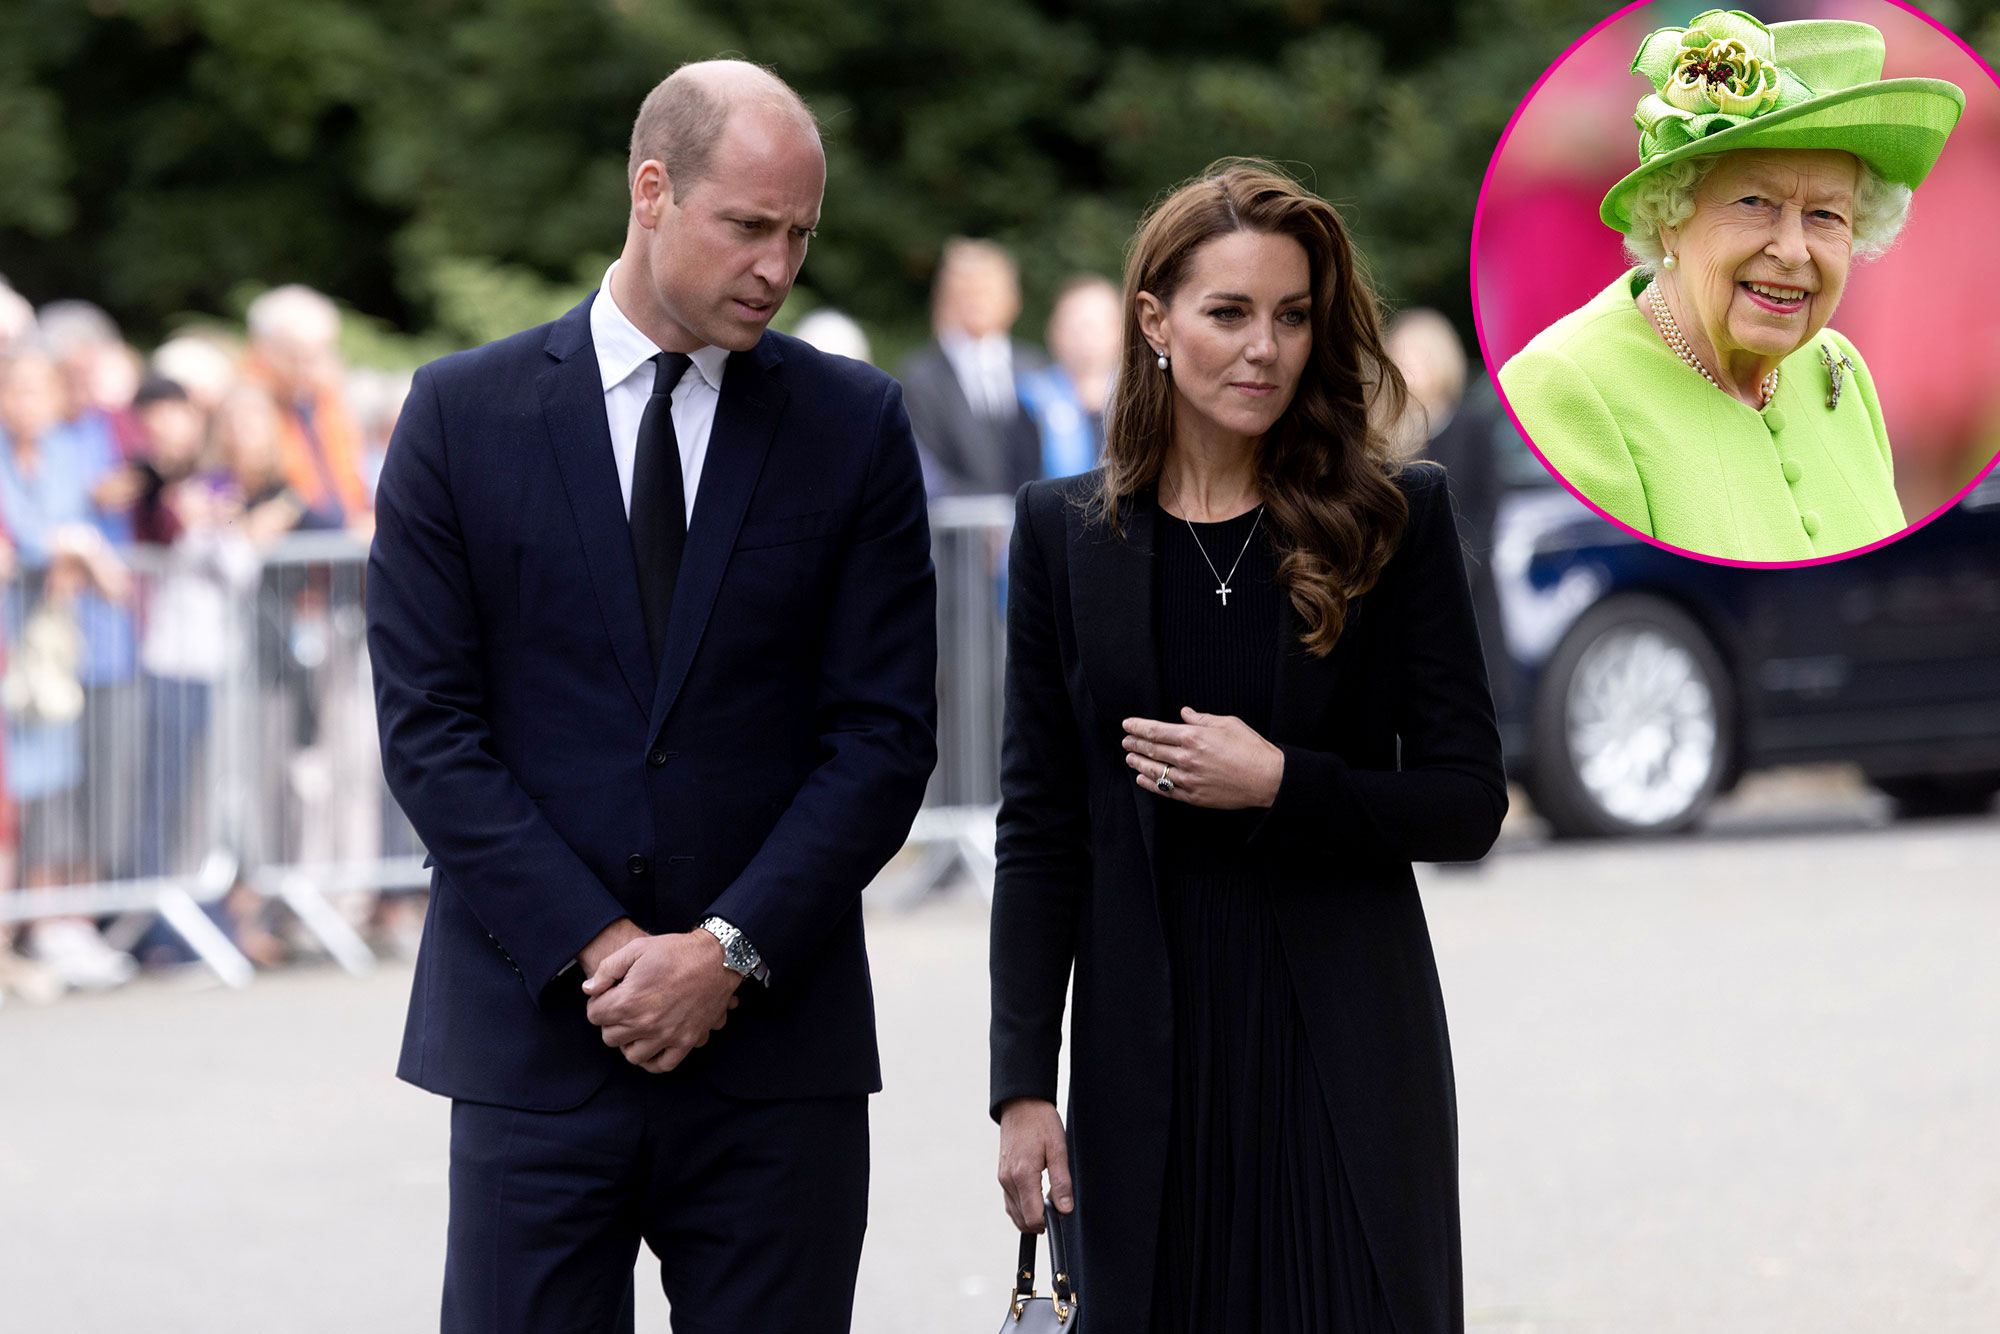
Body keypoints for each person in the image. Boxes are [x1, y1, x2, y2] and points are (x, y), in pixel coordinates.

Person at [367, 59, 936, 1331]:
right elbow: (430, 731)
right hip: (531, 1050)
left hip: (775, 1059)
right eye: (748, 226)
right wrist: (608, 951)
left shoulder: (854, 424)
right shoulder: (462, 415)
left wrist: (725, 951)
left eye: (799, 235)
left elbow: (883, 739)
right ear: (651, 190)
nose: (777, 267)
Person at [990, 160, 1507, 1333]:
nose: (1262, 347)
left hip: (1346, 1060)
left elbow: (1466, 799)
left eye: (1290, 314)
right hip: (1144, 1073)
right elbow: (1040, 829)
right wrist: (1022, 1083)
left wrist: (1283, 782)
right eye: (1227, 313)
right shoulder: (1064, 537)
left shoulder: (1392, 517)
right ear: (1153, 322)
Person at [1497, 9, 1965, 561]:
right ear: (1671, 215)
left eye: (1825, 215)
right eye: (1754, 203)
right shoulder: (1566, 385)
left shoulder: (1837, 367)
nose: (1793, 251)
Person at [899, 238, 1045, 496]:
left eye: (987, 290)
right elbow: (923, 468)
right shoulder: (920, 378)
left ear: (1012, 300)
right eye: (965, 291)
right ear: (944, 299)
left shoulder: (1035, 368)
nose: (976, 301)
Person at [244, 285, 373, 533]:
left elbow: (350, 480)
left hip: (335, 546)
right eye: (297, 356)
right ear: (265, 349)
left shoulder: (325, 403)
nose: (307, 367)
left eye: (316, 355)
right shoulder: (249, 406)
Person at [1017, 273, 1122, 479]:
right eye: (1074, 327)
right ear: (1053, 331)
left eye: (1095, 326)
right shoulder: (1030, 398)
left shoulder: (1142, 397)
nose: (1085, 338)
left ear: (1120, 330)